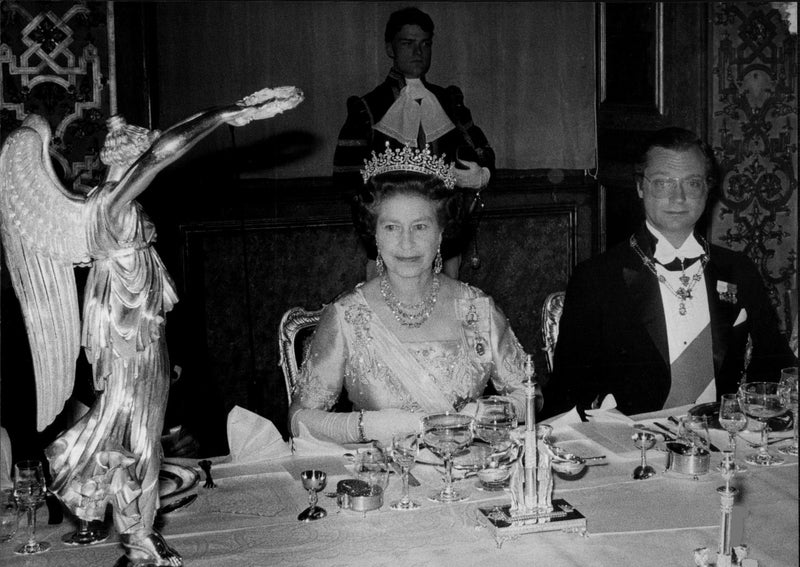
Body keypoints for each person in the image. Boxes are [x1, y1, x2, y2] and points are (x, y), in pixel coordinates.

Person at [0, 86, 303, 567]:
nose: (153, 156)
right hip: (126, 338)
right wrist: (225, 112)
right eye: (145, 151)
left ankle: (133, 525)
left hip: (140, 330)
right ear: (132, 158)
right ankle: (137, 536)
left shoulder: (117, 202)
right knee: (136, 434)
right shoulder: (112, 203)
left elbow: (162, 150)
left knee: (139, 432)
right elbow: (166, 151)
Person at [289, 143, 538, 445]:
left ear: (441, 232)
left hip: (466, 477)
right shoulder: (347, 316)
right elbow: (299, 419)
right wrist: (369, 426)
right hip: (383, 478)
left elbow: (530, 395)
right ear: (375, 234)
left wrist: (487, 411)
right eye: (392, 227)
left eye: (420, 226)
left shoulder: (478, 310)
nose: (406, 244)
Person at [544, 127, 797, 418]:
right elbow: (566, 393)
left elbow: (776, 363)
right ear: (640, 187)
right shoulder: (597, 278)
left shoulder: (738, 270)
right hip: (633, 445)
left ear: (708, 189)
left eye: (692, 183)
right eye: (663, 183)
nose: (678, 198)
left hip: (721, 441)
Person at [333, 6, 494, 278]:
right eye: (408, 43)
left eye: (425, 44)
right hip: (391, 246)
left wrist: (482, 175)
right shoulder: (368, 108)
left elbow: (483, 153)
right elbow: (346, 180)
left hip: (444, 244)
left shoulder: (449, 102)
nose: (418, 52)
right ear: (390, 48)